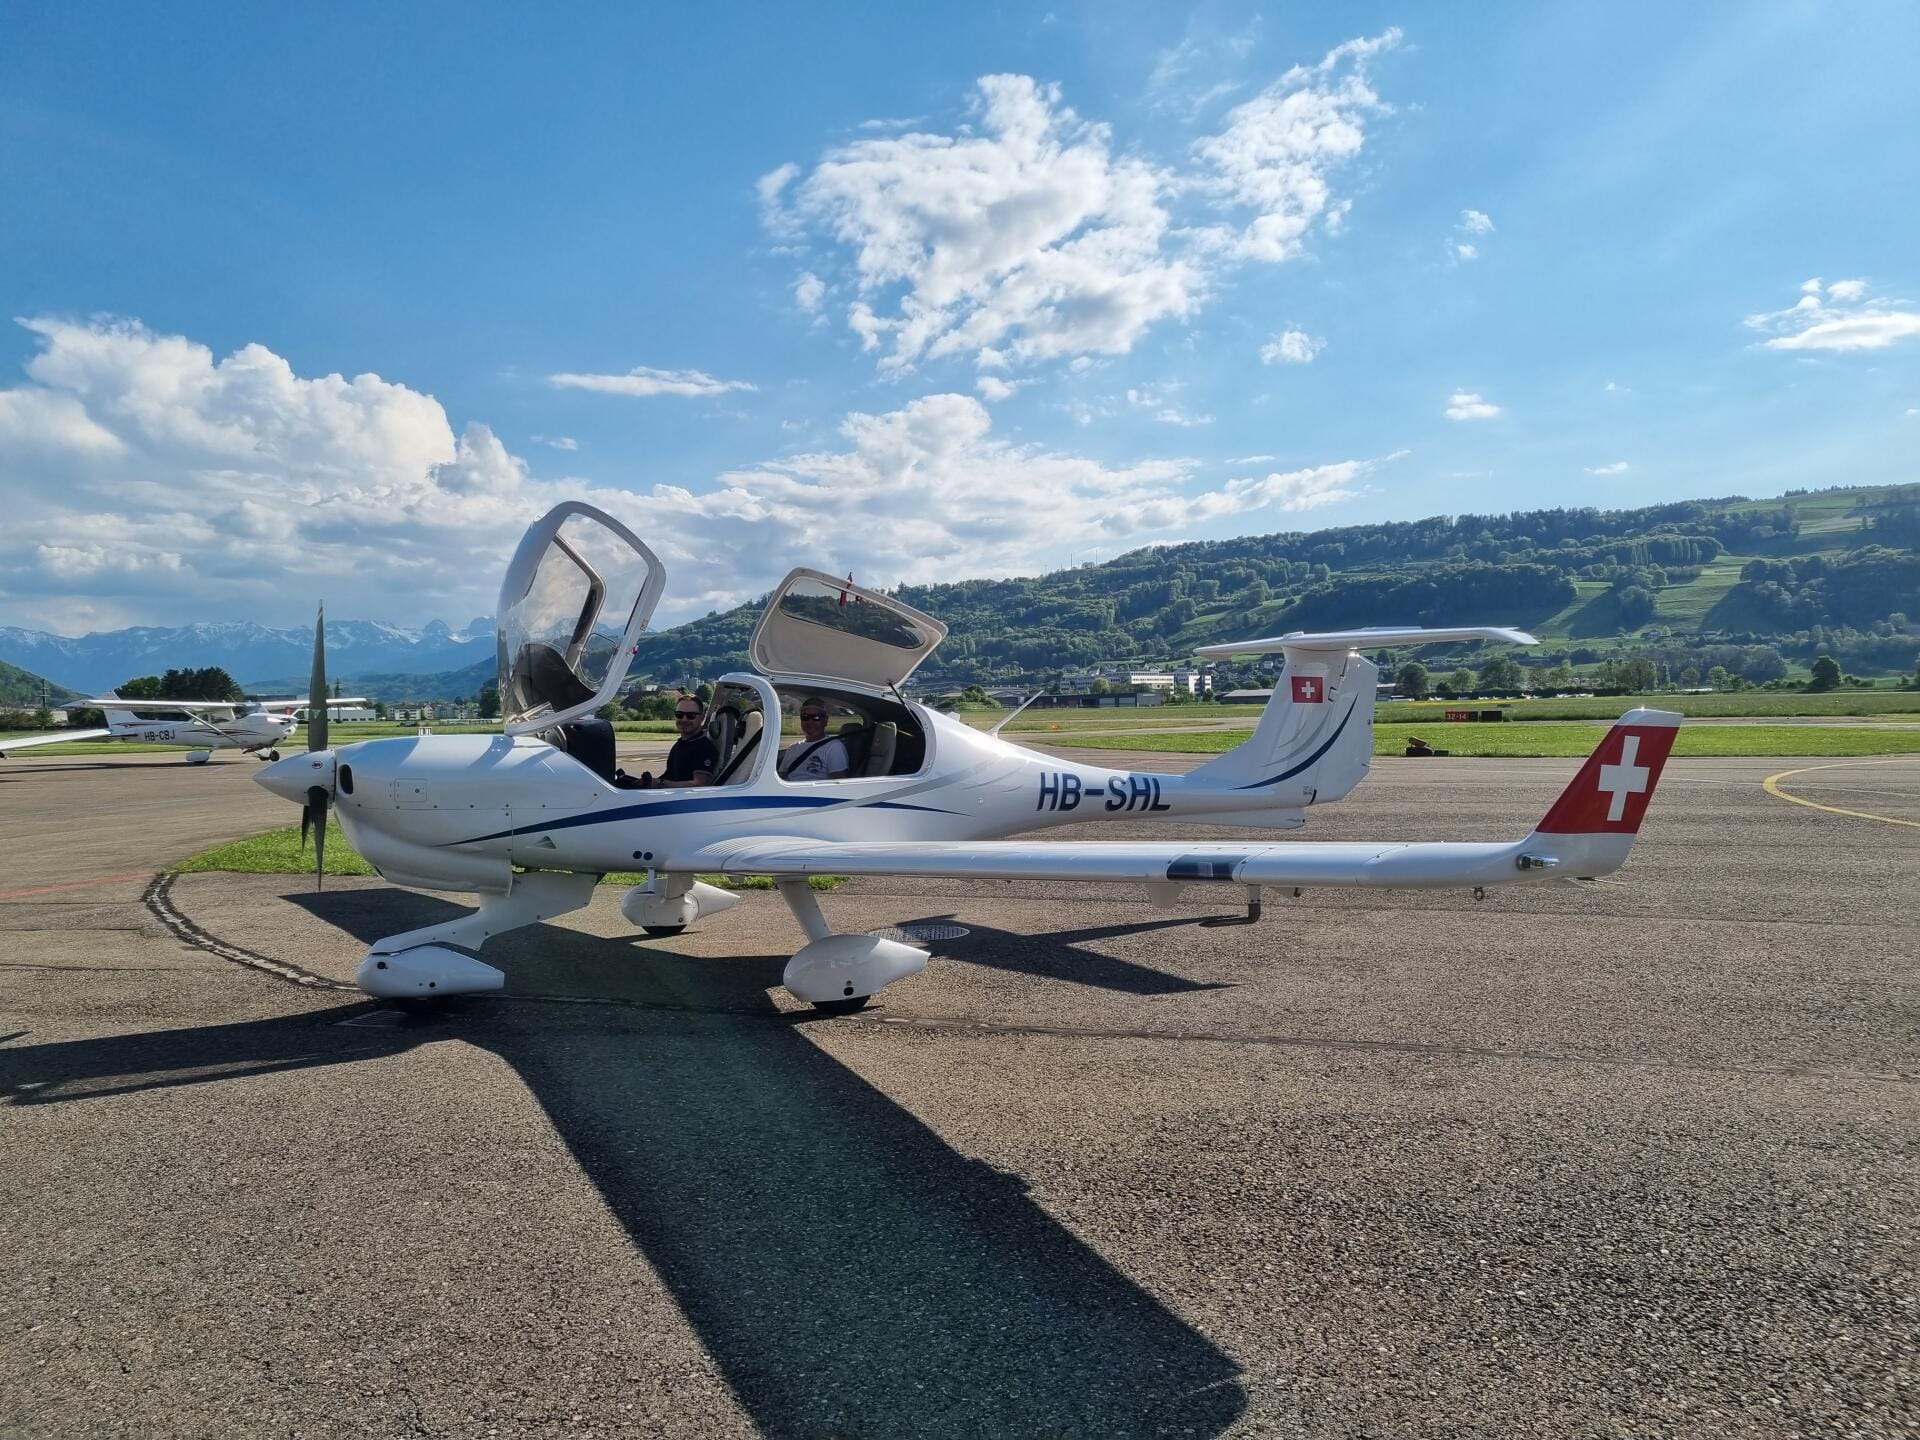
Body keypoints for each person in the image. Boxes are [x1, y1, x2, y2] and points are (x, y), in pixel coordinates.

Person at [618, 695, 718, 789]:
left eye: (690, 716)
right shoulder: (681, 745)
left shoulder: (704, 748)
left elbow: (700, 785)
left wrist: (659, 783)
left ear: (702, 718)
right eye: (679, 715)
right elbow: (669, 777)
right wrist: (648, 782)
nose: (684, 719)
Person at [778, 697, 850, 780]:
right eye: (805, 717)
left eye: (816, 717)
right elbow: (781, 777)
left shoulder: (834, 747)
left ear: (825, 720)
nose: (810, 722)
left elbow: (839, 782)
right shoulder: (792, 748)